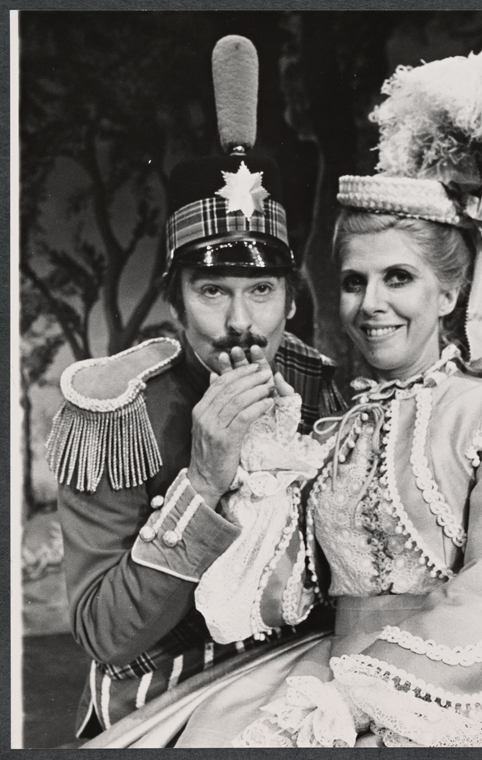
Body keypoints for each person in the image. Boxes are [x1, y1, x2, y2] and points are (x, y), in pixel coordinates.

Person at [158, 27, 482, 747]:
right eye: (355, 281)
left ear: (449, 293)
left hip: (455, 693)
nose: (371, 304)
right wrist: (261, 479)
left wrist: (361, 703)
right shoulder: (333, 427)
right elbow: (283, 600)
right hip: (324, 674)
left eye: (399, 278)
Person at [46, 36, 344, 738]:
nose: (241, 323)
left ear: (292, 299)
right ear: (174, 303)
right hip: (162, 710)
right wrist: (204, 484)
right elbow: (104, 636)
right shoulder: (113, 411)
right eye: (212, 290)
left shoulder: (315, 384)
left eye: (262, 290)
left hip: (295, 687)